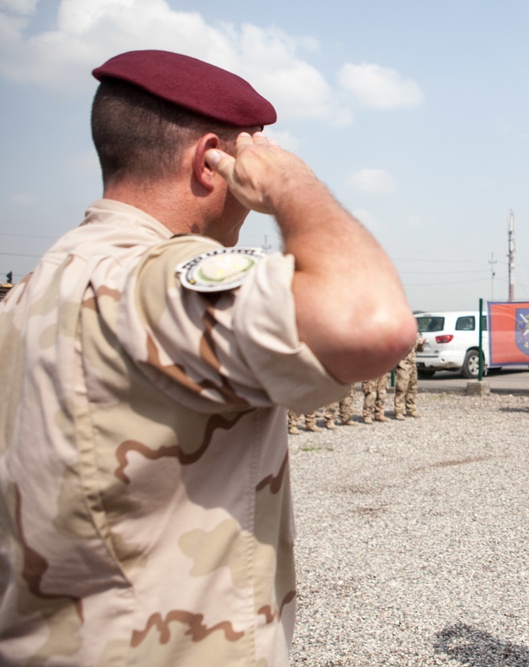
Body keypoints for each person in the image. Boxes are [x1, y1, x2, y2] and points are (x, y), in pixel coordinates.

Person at [0, 50, 415, 665]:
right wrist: (289, 183)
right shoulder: (153, 278)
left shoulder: (34, 290)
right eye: (253, 154)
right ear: (210, 161)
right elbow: (373, 322)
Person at [394, 334, 426, 420]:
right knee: (401, 388)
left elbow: (419, 350)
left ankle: (411, 409)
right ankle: (398, 411)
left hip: (412, 365)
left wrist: (421, 344)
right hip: (403, 365)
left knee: (412, 388)